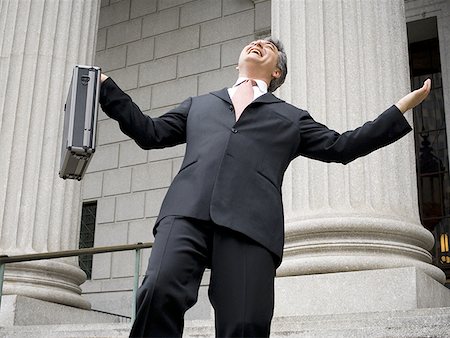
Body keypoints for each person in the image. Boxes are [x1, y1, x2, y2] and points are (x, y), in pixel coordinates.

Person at [99, 37, 431, 338]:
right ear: (237, 63)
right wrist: (105, 87)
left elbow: (342, 147)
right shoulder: (199, 105)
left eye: (269, 47)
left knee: (246, 324)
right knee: (157, 291)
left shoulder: (290, 117)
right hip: (186, 211)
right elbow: (150, 133)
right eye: (255, 42)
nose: (259, 43)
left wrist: (398, 110)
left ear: (277, 72)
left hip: (252, 224)